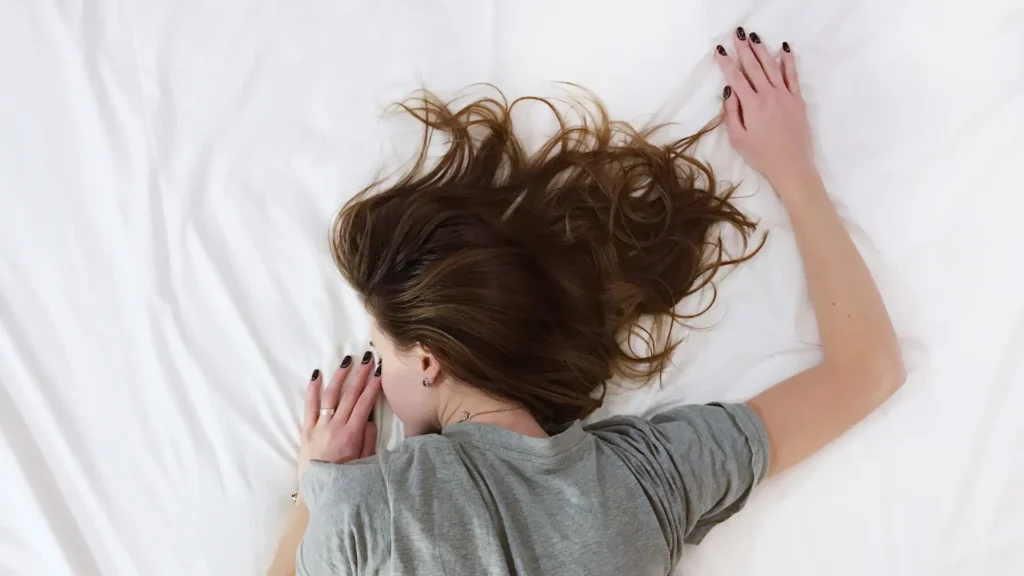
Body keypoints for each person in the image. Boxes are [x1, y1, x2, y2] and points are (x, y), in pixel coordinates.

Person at [269, 28, 905, 576]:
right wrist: (792, 169)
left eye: (382, 355)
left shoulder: (362, 511)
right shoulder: (649, 479)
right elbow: (867, 369)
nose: (378, 376)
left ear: (430, 361)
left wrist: (314, 487)